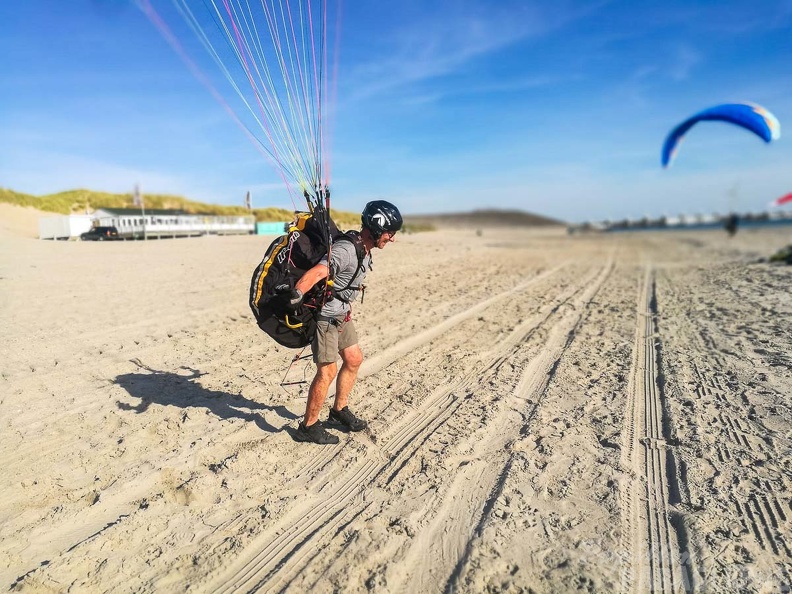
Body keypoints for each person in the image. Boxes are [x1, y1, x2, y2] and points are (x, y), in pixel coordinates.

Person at [290, 200, 403, 444]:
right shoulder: (346, 249)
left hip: (342, 314)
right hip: (327, 318)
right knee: (327, 370)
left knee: (353, 359)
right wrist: (298, 292)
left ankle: (338, 411)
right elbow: (321, 271)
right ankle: (307, 427)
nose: (391, 239)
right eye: (390, 233)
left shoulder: (364, 246)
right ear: (376, 228)